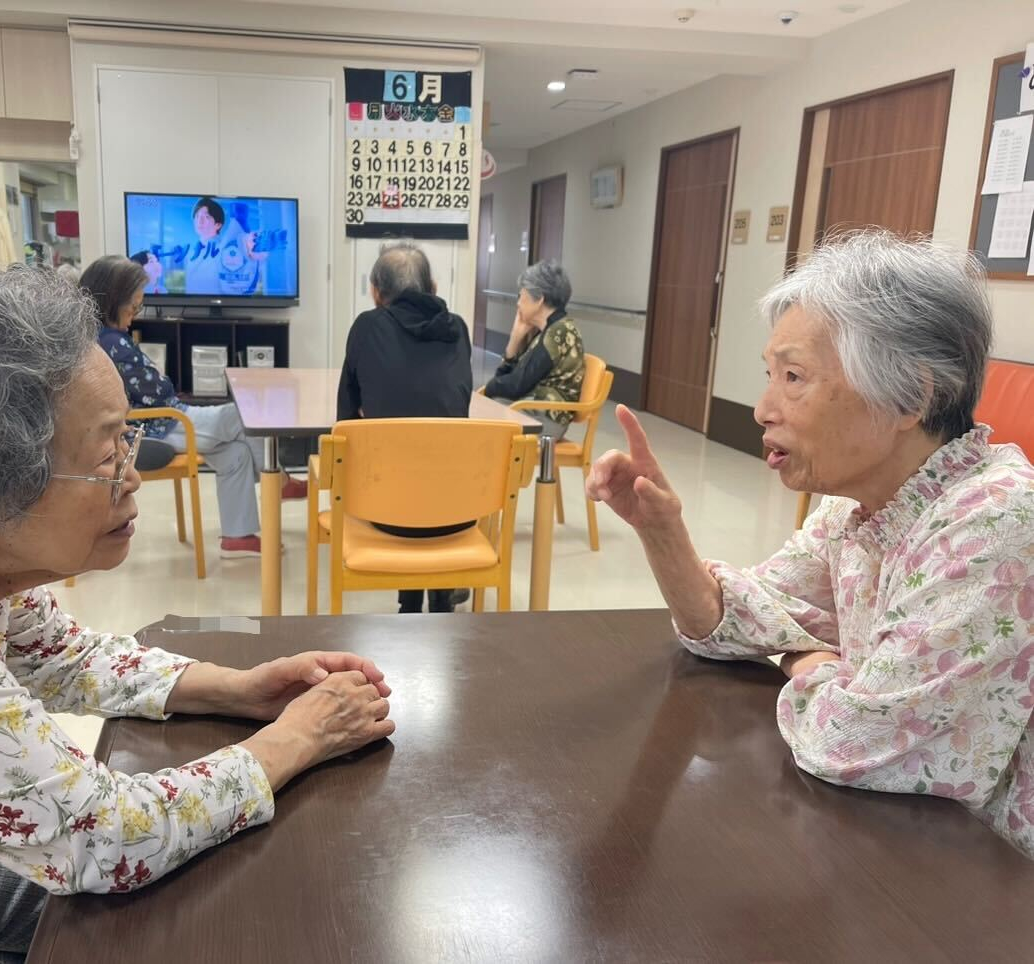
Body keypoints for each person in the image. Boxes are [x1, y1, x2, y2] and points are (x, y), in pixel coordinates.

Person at [0, 266, 394, 963]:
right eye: (107, 455)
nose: (132, 476)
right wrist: (298, 737)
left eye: (127, 443)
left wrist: (238, 688)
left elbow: (59, 653)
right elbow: (103, 836)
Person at [586, 230, 1034, 857]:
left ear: (911, 396)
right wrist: (662, 531)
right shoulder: (859, 505)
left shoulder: (997, 523)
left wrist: (807, 659)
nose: (762, 408)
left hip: (991, 872)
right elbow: (735, 621)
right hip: (896, 842)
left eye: (793, 377)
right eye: (769, 375)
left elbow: (851, 741)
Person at [81, 255, 306, 559]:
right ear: (113, 300)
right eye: (133, 308)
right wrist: (166, 384)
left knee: (235, 454)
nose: (134, 316)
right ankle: (279, 482)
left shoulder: (98, 338)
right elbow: (157, 390)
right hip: (159, 425)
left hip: (160, 420)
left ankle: (237, 538)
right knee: (243, 414)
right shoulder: (112, 343)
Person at [337, 241, 473, 614]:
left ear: (376, 292)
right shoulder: (458, 329)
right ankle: (439, 597)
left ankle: (410, 604)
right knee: (431, 462)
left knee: (395, 466)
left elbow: (345, 421)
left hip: (386, 511)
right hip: (459, 510)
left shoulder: (367, 327)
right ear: (433, 287)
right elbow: (454, 407)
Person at [480, 260, 585, 440]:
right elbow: (511, 380)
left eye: (521, 296)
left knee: (481, 418)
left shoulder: (558, 334)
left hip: (544, 419)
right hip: (531, 409)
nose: (518, 303)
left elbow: (515, 386)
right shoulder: (549, 330)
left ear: (539, 300)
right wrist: (515, 339)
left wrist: (489, 388)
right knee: (484, 408)